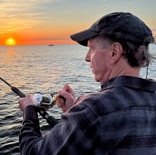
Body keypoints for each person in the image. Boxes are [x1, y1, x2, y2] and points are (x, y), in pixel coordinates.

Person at [18, 12, 156, 155]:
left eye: (91, 49)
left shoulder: (93, 110)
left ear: (114, 52)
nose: (87, 58)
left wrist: (29, 111)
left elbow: (32, 152)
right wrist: (73, 111)